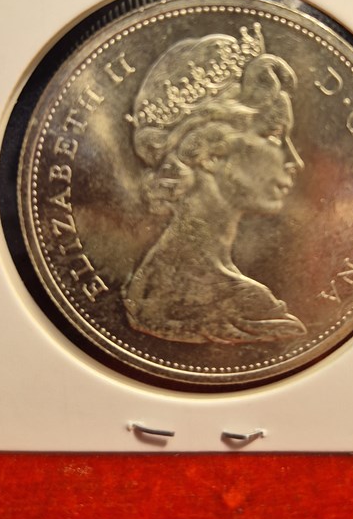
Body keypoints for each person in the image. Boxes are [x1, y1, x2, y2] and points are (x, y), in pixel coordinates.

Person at [122, 22, 307, 344]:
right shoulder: (246, 304)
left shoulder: (148, 280)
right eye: (274, 135)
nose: (295, 161)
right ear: (208, 151)